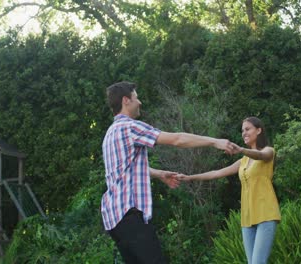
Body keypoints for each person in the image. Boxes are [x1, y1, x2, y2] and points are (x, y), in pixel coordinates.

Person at [101, 81, 234, 264]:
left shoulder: (110, 134)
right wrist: (214, 142)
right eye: (136, 97)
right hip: (129, 214)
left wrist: (160, 174)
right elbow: (177, 139)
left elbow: (127, 170)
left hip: (115, 220)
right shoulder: (129, 127)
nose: (140, 102)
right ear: (126, 100)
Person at [177, 117, 280, 264]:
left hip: (266, 214)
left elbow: (261, 155)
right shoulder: (243, 161)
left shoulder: (269, 151)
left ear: (259, 130)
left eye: (247, 129)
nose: (244, 133)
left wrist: (241, 149)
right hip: (247, 217)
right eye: (242, 130)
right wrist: (189, 177)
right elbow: (216, 173)